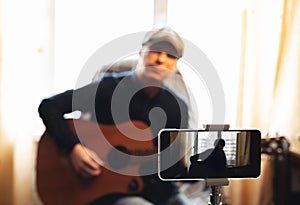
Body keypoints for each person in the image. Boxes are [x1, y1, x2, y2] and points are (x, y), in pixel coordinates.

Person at [38, 26, 191, 205]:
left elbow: (172, 166)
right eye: (156, 51)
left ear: (175, 66)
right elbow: (50, 106)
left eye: (170, 56)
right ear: (142, 53)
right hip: (108, 191)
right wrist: (73, 148)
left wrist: (201, 167)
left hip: (158, 190)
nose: (161, 59)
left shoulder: (177, 107)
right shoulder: (108, 88)